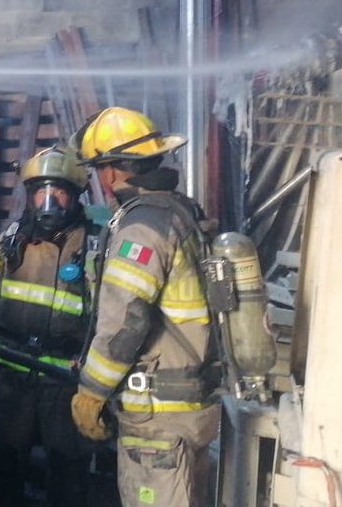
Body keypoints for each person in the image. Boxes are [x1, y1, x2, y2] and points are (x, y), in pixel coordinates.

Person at [69, 107, 220, 507]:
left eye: (98, 168)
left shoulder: (141, 227)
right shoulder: (181, 211)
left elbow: (125, 322)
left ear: (110, 172)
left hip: (159, 417)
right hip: (190, 403)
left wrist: (92, 391)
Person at [0, 146, 98, 507]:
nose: (49, 203)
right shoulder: (10, 243)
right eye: (42, 192)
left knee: (68, 479)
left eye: (60, 193)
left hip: (67, 382)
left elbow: (110, 316)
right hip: (10, 378)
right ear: (30, 196)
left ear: (76, 197)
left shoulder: (97, 247)